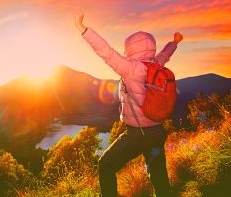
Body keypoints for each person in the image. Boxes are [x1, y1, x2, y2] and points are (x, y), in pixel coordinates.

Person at [74, 12, 183, 197]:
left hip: (137, 134)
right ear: (151, 48)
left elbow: (105, 51)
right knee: (158, 173)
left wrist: (83, 30)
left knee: (105, 165)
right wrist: (175, 42)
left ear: (130, 48)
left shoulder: (129, 68)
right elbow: (165, 54)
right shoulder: (156, 64)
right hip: (157, 131)